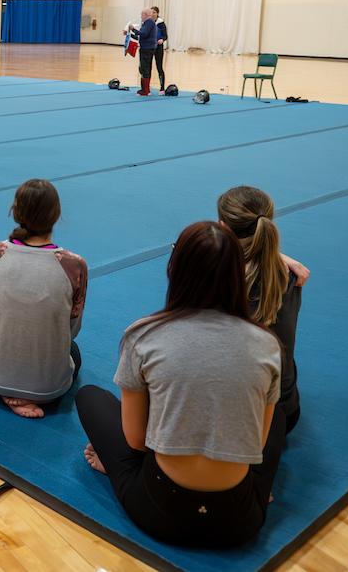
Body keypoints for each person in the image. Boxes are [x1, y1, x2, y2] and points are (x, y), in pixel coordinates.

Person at [76, 221, 284, 549]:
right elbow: (255, 444)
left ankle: (120, 473)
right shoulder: (267, 344)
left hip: (160, 511)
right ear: (237, 273)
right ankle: (259, 489)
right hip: (238, 520)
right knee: (277, 417)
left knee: (89, 396)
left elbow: (135, 440)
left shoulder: (144, 335)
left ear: (175, 269)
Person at [0, 179, 87, 418]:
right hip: (49, 389)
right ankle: (31, 391)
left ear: (15, 211)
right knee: (74, 351)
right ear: (56, 214)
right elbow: (72, 328)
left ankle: (11, 390)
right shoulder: (74, 264)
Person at [218, 186, 310, 433]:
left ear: (223, 226)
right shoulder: (289, 275)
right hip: (285, 411)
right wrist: (279, 255)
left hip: (239, 420)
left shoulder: (210, 274)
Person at [126, 8, 158, 95]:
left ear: (146, 15)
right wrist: (131, 34)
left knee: (144, 68)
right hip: (147, 47)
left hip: (147, 48)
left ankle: (145, 90)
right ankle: (145, 89)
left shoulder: (149, 22)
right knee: (144, 68)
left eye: (142, 15)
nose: (141, 17)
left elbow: (143, 34)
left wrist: (133, 29)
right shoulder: (149, 23)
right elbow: (141, 36)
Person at [151, 7, 168, 92]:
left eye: (154, 12)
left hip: (158, 48)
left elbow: (165, 36)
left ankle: (162, 87)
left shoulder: (161, 23)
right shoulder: (148, 22)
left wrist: (162, 39)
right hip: (149, 47)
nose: (152, 14)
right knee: (147, 68)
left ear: (157, 13)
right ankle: (146, 88)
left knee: (159, 67)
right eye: (151, 12)